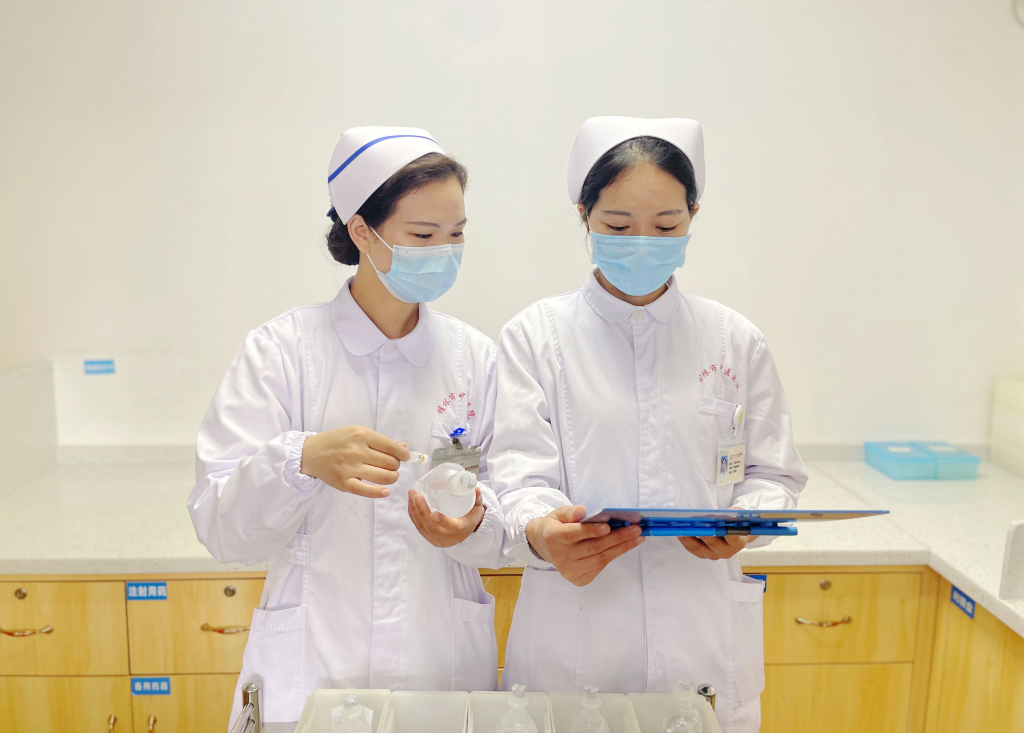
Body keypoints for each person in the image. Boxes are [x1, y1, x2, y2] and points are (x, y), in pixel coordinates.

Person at [490, 117, 807, 732]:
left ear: (693, 215)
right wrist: (546, 531)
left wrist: (746, 522)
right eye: (617, 226)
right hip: (575, 637)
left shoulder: (733, 339)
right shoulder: (535, 337)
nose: (642, 243)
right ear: (584, 214)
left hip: (703, 637)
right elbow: (517, 476)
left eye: (665, 226)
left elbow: (774, 474)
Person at [187, 127, 504, 725]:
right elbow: (222, 528)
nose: (444, 251)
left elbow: (509, 508)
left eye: (456, 233)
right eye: (423, 235)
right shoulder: (282, 352)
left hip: (439, 663)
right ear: (362, 230)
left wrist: (474, 521)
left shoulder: (475, 359)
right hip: (312, 665)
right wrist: (301, 460)